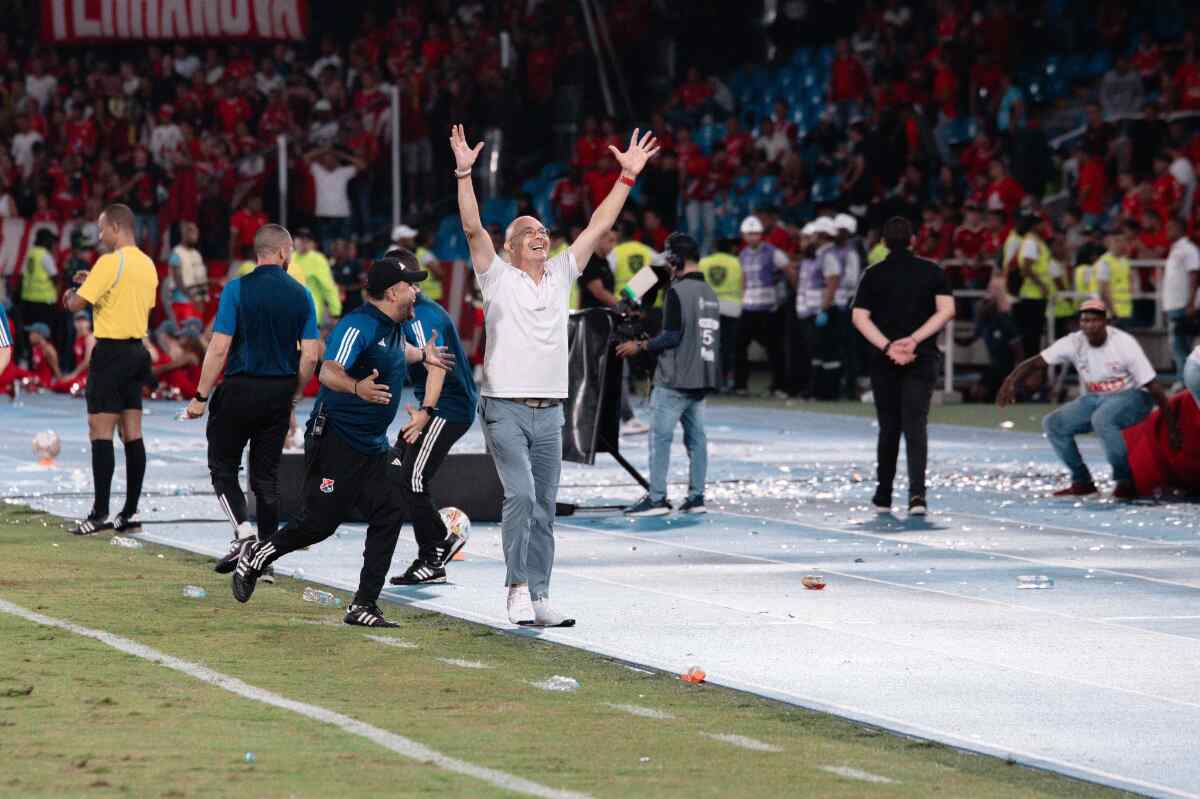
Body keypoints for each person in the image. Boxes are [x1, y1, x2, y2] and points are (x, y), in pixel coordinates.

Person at [451, 123, 658, 627]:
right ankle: (515, 588)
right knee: (520, 496)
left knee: (544, 506)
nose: (539, 235)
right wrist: (463, 173)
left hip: (550, 411)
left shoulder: (564, 273)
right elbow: (473, 228)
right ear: (510, 247)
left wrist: (626, 179)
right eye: (528, 233)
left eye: (542, 231)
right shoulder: (496, 277)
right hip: (505, 408)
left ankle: (540, 595)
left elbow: (595, 225)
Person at [229, 257, 456, 627]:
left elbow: (397, 353)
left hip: (371, 445)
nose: (417, 292)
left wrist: (424, 355)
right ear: (393, 291)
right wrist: (357, 387)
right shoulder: (358, 325)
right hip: (336, 438)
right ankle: (258, 555)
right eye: (411, 286)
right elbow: (328, 370)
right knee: (318, 523)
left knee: (390, 508)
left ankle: (364, 604)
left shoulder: (397, 328)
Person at [183, 224, 321, 575]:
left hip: (239, 388)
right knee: (266, 478)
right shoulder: (301, 294)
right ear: (283, 252)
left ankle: (244, 536)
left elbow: (219, 347)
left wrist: (200, 396)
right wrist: (293, 393)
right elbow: (309, 356)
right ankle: (266, 560)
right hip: (278, 393)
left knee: (224, 468)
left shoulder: (236, 289)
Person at [998, 298, 1179, 500]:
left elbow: (1154, 386)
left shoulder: (1123, 343)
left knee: (1102, 419)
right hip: (1095, 398)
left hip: (1134, 397)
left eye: (1095, 321)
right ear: (1079, 324)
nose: (1090, 325)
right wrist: (1010, 380)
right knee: (1053, 423)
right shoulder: (1073, 342)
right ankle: (1082, 482)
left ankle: (1127, 481)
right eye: (1085, 321)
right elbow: (1036, 363)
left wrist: (1171, 427)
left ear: (1105, 323)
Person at [63, 204, 159, 535]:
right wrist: (95, 283)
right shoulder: (147, 264)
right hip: (137, 352)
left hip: (110, 353)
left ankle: (99, 513)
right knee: (133, 431)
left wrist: (71, 294)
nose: (100, 236)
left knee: (99, 430)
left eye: (103, 229)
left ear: (116, 228)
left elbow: (77, 304)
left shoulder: (109, 262)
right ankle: (129, 514)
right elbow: (136, 302)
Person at [387, 248, 480, 586]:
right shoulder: (407, 314)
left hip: (447, 408)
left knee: (413, 478)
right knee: (397, 467)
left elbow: (435, 366)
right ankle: (442, 540)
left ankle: (432, 557)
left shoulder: (422, 318)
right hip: (434, 404)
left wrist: (426, 412)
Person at [851, 217, 956, 516]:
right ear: (914, 240)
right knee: (915, 426)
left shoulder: (873, 274)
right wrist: (913, 340)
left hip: (884, 360)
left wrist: (887, 346)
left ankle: (883, 495)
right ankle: (917, 496)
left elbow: (859, 318)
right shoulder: (933, 271)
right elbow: (946, 310)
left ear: (883, 242)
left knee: (889, 427)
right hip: (921, 357)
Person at [616, 233, 720, 515]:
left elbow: (672, 336)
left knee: (660, 439)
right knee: (697, 440)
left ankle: (658, 498)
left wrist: (640, 345)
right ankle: (696, 498)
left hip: (674, 379)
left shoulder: (677, 291)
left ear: (675, 259)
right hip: (701, 378)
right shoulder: (709, 292)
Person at [734, 215, 790, 397]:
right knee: (740, 346)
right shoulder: (742, 255)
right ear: (744, 235)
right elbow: (743, 279)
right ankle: (740, 385)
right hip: (749, 306)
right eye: (749, 234)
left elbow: (789, 270)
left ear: (761, 234)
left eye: (756, 234)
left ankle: (779, 386)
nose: (753, 237)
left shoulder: (773, 252)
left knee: (774, 348)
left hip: (768, 308)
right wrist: (742, 299)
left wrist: (789, 295)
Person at [698, 238, 743, 391]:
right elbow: (744, 284)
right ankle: (724, 380)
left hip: (709, 308)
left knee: (709, 346)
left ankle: (709, 381)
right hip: (732, 309)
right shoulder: (737, 262)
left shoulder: (704, 262)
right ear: (731, 249)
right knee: (728, 347)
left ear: (715, 248)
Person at [1161, 217, 1199, 387]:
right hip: (1174, 305)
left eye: (1170, 228)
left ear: (1179, 228)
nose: (1167, 231)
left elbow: (1194, 275)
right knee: (1178, 346)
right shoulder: (1175, 249)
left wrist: (1190, 303)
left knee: (1181, 347)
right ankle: (1185, 381)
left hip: (1182, 306)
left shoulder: (1188, 249)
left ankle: (1184, 382)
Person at [16, 228, 60, 364]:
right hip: (44, 302)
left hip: (28, 301)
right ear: (46, 241)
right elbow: (55, 277)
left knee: (30, 335)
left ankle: (30, 360)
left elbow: (23, 277)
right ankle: (46, 365)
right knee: (45, 336)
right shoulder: (45, 256)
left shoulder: (30, 254)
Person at [288, 228, 341, 327]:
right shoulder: (289, 257)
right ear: (294, 241)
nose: (303, 242)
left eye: (306, 240)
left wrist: (335, 312)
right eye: (300, 239)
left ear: (312, 243)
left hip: (310, 314)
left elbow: (328, 287)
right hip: (289, 314)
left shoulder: (318, 260)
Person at [162, 220, 208, 325]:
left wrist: (202, 299)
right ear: (184, 233)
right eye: (191, 230)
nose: (195, 234)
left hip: (196, 302)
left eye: (196, 231)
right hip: (182, 302)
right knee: (186, 335)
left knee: (195, 335)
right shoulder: (177, 253)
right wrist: (193, 299)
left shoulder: (197, 254)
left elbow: (200, 279)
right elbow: (178, 280)